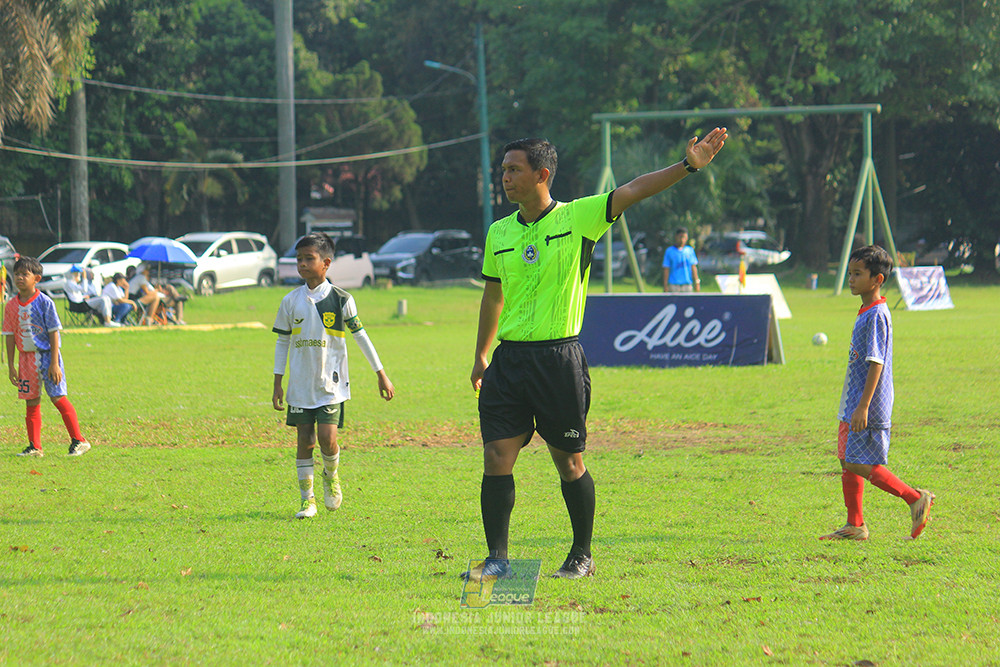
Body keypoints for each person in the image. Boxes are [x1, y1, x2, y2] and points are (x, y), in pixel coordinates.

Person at [469, 130, 728, 581]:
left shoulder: (579, 217)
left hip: (558, 359)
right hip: (509, 362)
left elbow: (633, 189)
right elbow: (493, 296)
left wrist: (687, 166)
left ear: (541, 174)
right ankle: (497, 560)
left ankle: (581, 556)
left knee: (568, 462)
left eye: (514, 170)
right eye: (503, 170)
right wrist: (481, 354)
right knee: (496, 457)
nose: (505, 178)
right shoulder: (499, 232)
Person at [272, 232, 395, 519]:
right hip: (300, 385)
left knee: (327, 439)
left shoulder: (342, 299)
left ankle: (331, 474)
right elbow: (282, 342)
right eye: (299, 259)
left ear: (326, 263)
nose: (302, 264)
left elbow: (361, 337)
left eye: (308, 259)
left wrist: (381, 374)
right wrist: (277, 382)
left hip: (331, 384)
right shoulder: (290, 301)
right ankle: (307, 500)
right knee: (306, 440)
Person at [820, 245, 934, 541]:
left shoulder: (877, 315)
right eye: (850, 273)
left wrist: (864, 406)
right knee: (846, 459)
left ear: (877, 279)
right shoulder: (866, 310)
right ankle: (855, 525)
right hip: (854, 402)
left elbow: (876, 362)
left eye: (858, 274)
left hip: (866, 404)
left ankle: (914, 498)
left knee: (859, 461)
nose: (851, 279)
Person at [3, 256, 91, 457]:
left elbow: (54, 333)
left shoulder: (45, 302)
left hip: (47, 357)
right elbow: (8, 335)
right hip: (25, 360)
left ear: (37, 278)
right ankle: (35, 446)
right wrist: (11, 365)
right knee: (31, 401)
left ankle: (79, 440)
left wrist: (54, 363)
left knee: (58, 397)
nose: (19, 278)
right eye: (17, 274)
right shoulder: (11, 306)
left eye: (25, 274)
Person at [661, 227, 700, 292]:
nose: (682, 240)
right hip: (674, 285)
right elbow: (666, 269)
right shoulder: (670, 251)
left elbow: (693, 267)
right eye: (680, 237)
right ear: (676, 237)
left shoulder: (689, 250)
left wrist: (697, 282)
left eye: (684, 237)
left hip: (687, 284)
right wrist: (665, 285)